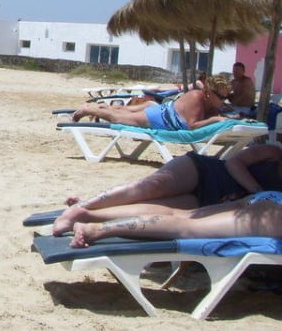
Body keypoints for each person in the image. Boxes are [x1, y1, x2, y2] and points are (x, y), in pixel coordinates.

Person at [51, 142, 282, 239]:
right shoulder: (272, 151)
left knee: (161, 210)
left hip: (214, 201)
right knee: (147, 188)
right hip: (207, 173)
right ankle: (83, 206)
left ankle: (86, 215)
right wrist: (257, 190)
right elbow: (234, 163)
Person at [69, 191, 282, 247]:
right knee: (188, 227)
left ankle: (90, 214)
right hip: (273, 216)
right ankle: (97, 229)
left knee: (183, 215)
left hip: (268, 200)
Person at [70, 74, 231, 130]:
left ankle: (103, 107)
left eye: (226, 97)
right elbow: (192, 125)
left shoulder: (210, 104)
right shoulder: (196, 97)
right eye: (221, 96)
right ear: (209, 93)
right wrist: (215, 119)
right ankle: (87, 110)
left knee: (123, 113)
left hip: (161, 112)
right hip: (159, 118)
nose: (224, 100)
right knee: (119, 119)